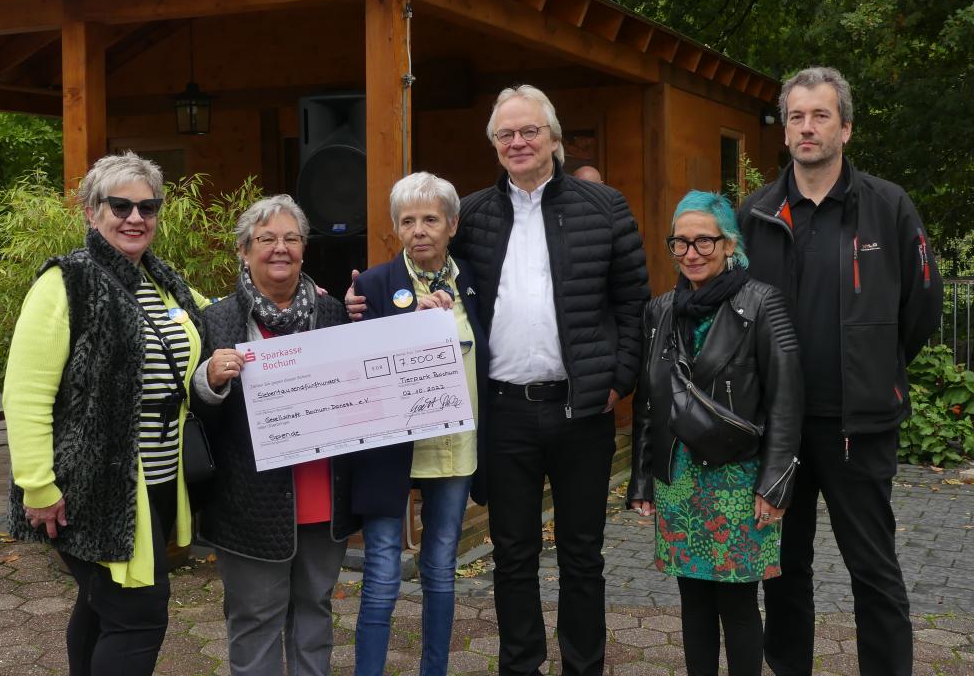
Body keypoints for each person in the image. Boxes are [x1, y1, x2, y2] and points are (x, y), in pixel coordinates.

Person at [347, 84, 651, 676]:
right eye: (505, 134)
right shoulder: (475, 213)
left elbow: (634, 301)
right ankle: (520, 666)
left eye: (528, 131)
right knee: (513, 554)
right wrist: (368, 302)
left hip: (582, 409)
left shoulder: (605, 207)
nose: (517, 142)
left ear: (554, 139)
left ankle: (582, 667)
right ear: (494, 144)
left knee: (582, 556)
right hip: (505, 411)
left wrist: (618, 379)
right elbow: (428, 275)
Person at [739, 66, 943, 676]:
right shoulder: (755, 213)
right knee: (785, 572)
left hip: (861, 427)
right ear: (785, 131)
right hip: (780, 431)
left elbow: (922, 308)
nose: (807, 127)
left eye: (820, 115)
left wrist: (875, 367)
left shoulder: (888, 206)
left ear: (846, 128)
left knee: (874, 571)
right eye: (796, 116)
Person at [2, 152, 208, 676]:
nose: (135, 217)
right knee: (138, 616)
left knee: (101, 606)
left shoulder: (164, 283)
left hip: (154, 484)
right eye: (120, 205)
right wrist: (37, 486)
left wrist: (300, 295)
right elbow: (24, 394)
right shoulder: (67, 281)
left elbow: (217, 320)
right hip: (91, 490)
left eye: (148, 206)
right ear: (92, 212)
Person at [628, 190, 803, 676]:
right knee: (693, 602)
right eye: (680, 243)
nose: (691, 253)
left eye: (704, 241)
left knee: (739, 606)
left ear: (729, 245)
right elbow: (649, 402)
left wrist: (775, 484)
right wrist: (642, 479)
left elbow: (787, 402)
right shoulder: (661, 310)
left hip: (739, 479)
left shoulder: (763, 304)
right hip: (680, 479)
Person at [190, 195, 357, 676]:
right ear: (244, 251)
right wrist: (211, 380)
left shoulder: (332, 314)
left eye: (291, 238)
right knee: (255, 619)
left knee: (314, 614)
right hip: (249, 505)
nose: (279, 248)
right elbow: (196, 414)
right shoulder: (217, 320)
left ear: (304, 249)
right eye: (266, 240)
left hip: (322, 497)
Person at [350, 171, 489, 676]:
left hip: (455, 445)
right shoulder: (371, 286)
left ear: (452, 224)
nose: (419, 230)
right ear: (396, 229)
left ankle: (435, 669)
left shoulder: (474, 280)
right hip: (391, 450)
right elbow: (355, 362)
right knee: (383, 570)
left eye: (430, 219)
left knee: (440, 567)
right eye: (407, 221)